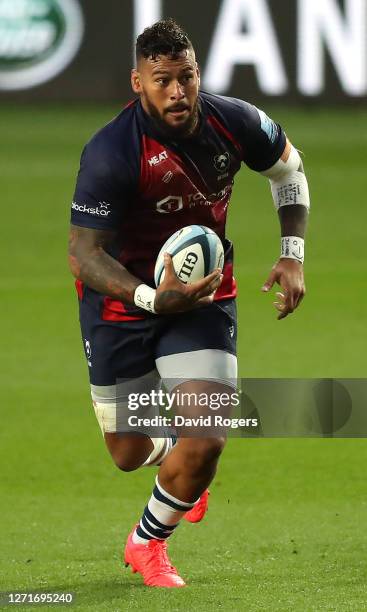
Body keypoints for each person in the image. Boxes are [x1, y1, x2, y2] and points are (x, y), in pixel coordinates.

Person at [68, 18, 309, 588]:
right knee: (128, 452)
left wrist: (292, 252)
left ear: (199, 73)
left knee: (207, 437)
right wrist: (153, 297)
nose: (178, 91)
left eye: (187, 76)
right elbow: (84, 255)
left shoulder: (235, 121)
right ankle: (182, 469)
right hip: (122, 303)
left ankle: (148, 541)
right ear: (137, 82)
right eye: (162, 80)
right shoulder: (112, 152)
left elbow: (289, 172)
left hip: (204, 297)